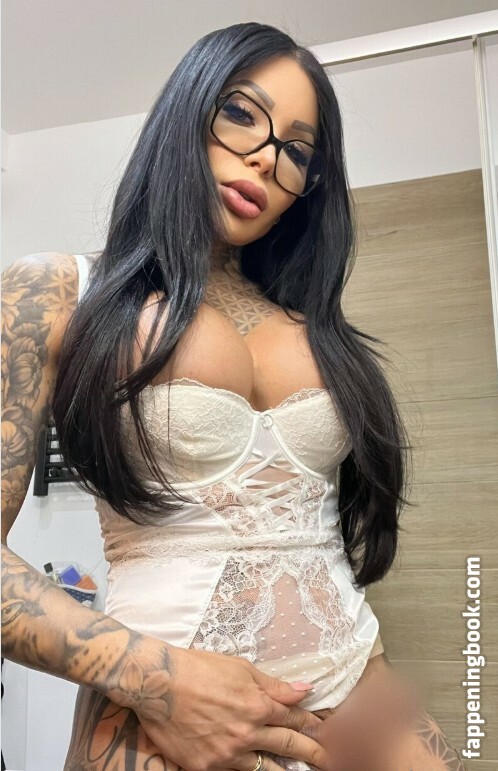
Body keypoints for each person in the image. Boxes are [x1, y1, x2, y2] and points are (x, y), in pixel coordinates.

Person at [1, 21, 467, 771]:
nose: (266, 158)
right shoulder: (56, 292)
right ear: (186, 112)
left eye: (298, 153)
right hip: (168, 715)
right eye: (243, 113)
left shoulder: (310, 326)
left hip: (359, 695)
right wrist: (163, 682)